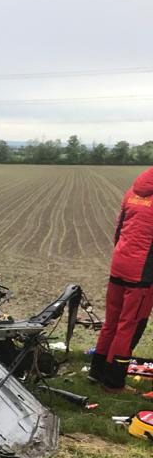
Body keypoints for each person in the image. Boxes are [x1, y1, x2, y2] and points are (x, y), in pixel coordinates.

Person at [90, 166, 153, 391]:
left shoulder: (132, 193)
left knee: (112, 322)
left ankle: (96, 372)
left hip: (119, 265)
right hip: (142, 275)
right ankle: (114, 382)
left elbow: (119, 229)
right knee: (129, 326)